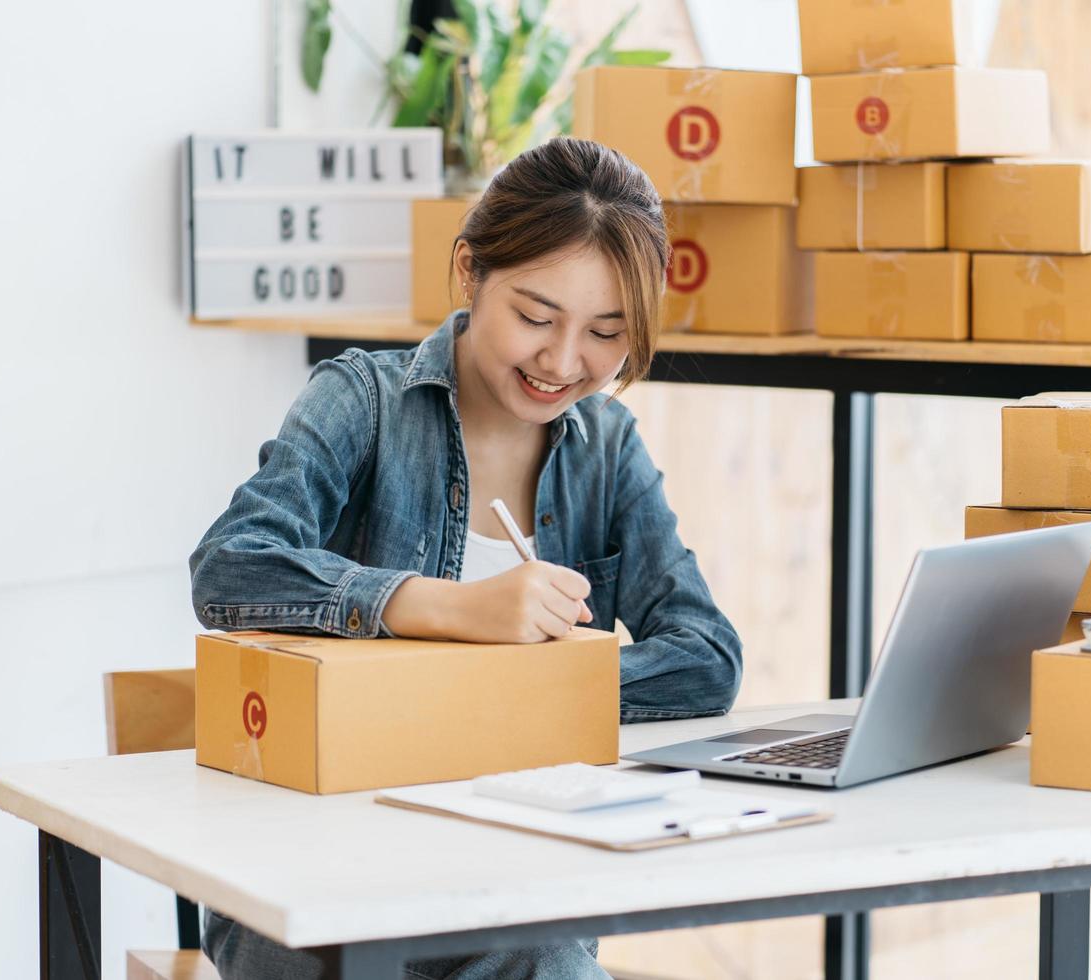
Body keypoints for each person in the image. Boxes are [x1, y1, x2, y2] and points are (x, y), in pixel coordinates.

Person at [188, 136, 743, 980]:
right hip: (314, 868)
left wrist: (507, 700)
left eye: (606, 332)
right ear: (467, 275)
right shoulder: (363, 401)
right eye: (534, 316)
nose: (562, 363)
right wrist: (439, 609)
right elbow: (228, 569)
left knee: (545, 949)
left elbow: (706, 659)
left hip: (509, 875)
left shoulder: (607, 447)